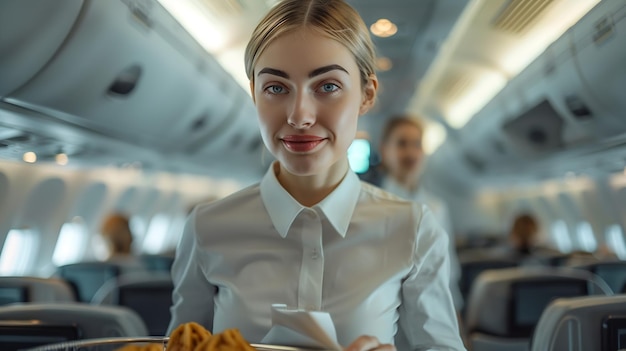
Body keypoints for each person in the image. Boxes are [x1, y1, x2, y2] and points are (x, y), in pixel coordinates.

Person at [169, 1, 466, 350]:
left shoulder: (414, 230)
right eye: (276, 88)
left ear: (366, 94)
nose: (299, 116)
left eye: (327, 86)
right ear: (254, 93)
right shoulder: (207, 228)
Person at [369, 116, 464, 313]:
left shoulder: (438, 208)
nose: (411, 153)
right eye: (402, 144)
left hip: (434, 311)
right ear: (384, 149)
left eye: (417, 144)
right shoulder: (370, 206)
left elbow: (449, 270)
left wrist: (456, 320)